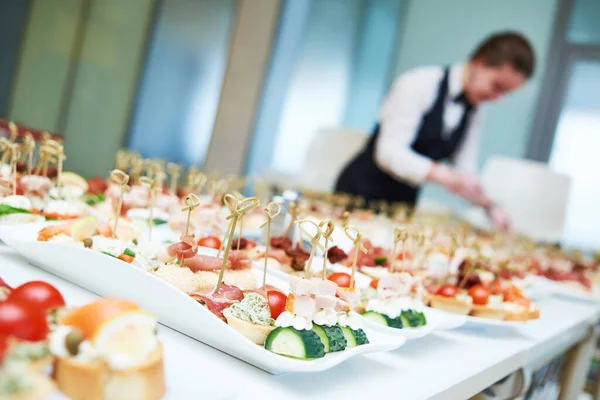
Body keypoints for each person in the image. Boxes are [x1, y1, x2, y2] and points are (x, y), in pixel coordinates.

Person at [335, 32, 535, 232]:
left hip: (402, 206)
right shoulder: (419, 83)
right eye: (496, 86)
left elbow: (465, 171)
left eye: (504, 93)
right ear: (479, 62)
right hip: (357, 194)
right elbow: (389, 152)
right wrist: (444, 175)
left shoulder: (474, 112)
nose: (497, 98)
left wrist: (490, 207)